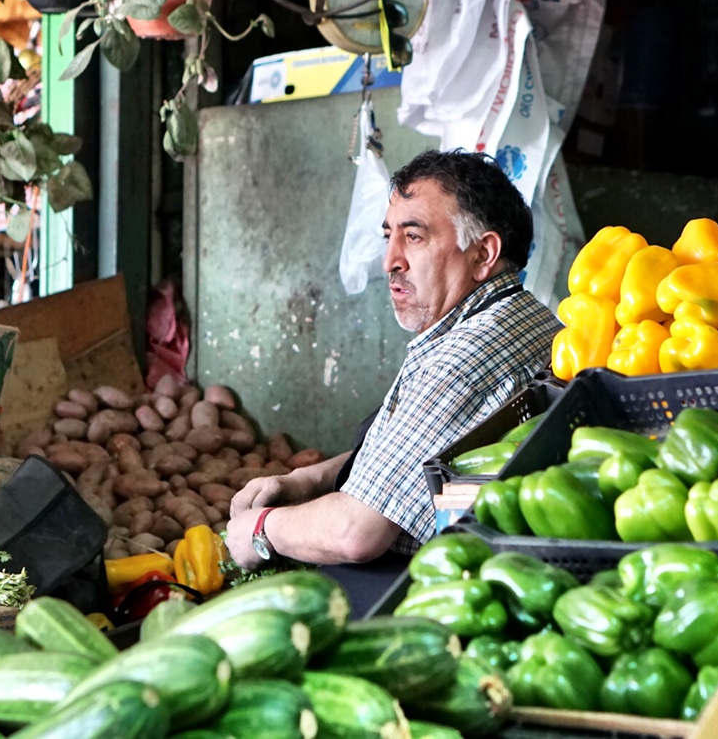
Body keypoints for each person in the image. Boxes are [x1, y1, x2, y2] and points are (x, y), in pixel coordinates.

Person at [224, 149, 562, 609]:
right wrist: (311, 479)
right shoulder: (523, 318)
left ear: (483, 253)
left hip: (421, 597)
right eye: (389, 237)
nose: (390, 262)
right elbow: (420, 444)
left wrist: (261, 531)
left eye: (414, 237)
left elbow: (356, 532)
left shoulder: (465, 355)